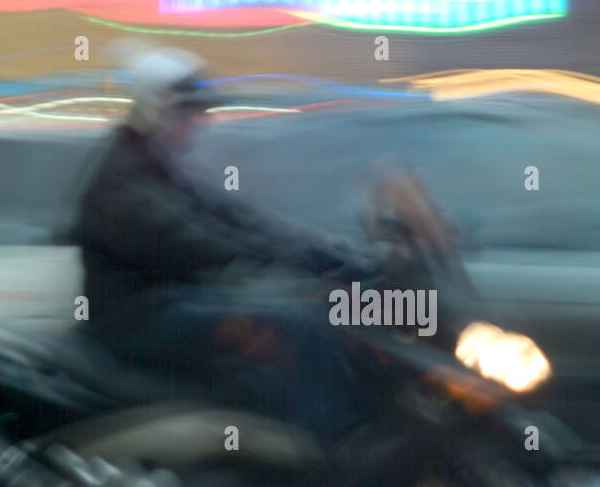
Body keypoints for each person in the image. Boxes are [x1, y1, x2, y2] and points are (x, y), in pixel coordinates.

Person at [73, 48, 379, 441]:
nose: (200, 123)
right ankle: (333, 452)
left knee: (318, 309)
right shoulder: (122, 183)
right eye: (190, 113)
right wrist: (286, 258)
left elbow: (244, 217)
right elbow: (200, 242)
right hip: (138, 318)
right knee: (299, 323)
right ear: (158, 109)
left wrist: (347, 255)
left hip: (173, 299)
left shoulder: (159, 166)